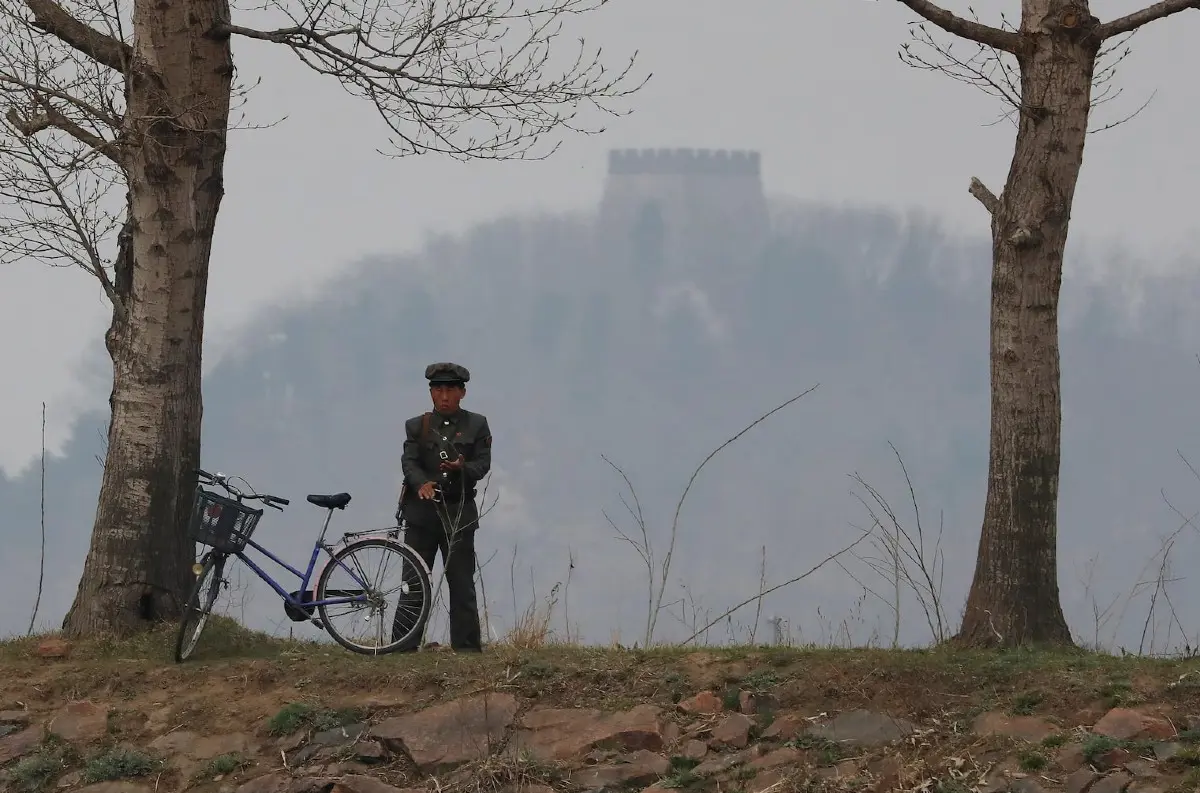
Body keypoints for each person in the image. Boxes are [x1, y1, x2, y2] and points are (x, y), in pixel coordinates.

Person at [394, 362, 492, 652]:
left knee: (462, 585)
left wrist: (463, 468)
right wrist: (421, 483)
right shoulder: (416, 425)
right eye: (438, 390)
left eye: (450, 389)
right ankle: (402, 647)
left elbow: (483, 464)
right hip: (421, 515)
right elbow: (409, 462)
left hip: (458, 513)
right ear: (431, 393)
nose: (444, 396)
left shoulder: (477, 424)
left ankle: (467, 649)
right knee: (413, 584)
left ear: (462, 392)